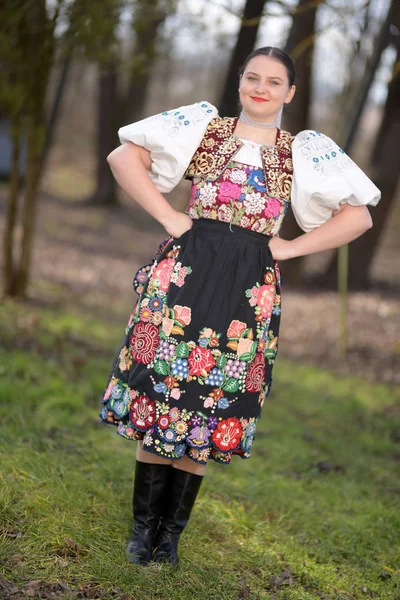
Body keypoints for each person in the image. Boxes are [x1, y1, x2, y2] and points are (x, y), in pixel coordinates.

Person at [100, 47, 381, 567]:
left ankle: (171, 536)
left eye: (274, 82)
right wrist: (168, 217)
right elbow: (123, 157)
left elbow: (357, 216)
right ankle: (142, 530)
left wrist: (292, 248)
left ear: (290, 93)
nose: (261, 88)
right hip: (187, 272)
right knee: (164, 386)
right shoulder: (204, 129)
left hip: (249, 286)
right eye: (253, 78)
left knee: (214, 396)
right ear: (240, 82)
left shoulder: (302, 151)